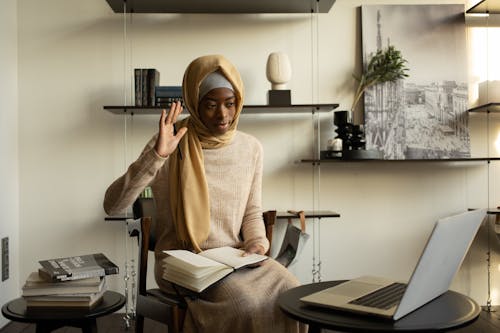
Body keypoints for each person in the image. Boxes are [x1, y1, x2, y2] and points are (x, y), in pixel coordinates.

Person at [103, 54, 306, 333]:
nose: (222, 115)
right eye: (210, 105)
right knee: (243, 304)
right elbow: (112, 205)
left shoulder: (251, 148)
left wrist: (257, 244)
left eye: (230, 104)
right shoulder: (173, 140)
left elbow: (251, 211)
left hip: (235, 259)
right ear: (194, 105)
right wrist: (157, 156)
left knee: (293, 292)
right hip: (182, 262)